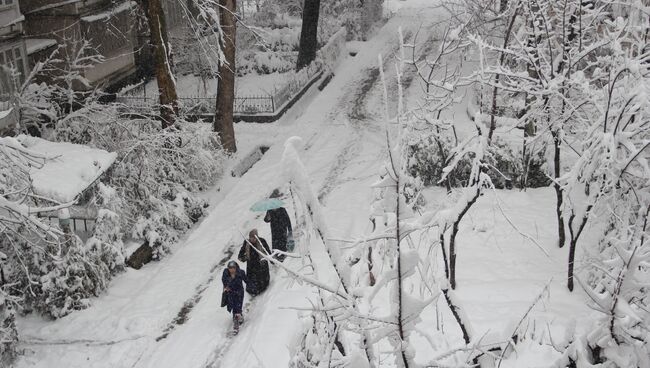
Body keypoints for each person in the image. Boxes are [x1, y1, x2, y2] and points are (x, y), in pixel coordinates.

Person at [238, 229, 271, 295]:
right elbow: (240, 256)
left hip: (261, 266)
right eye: (251, 238)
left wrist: (268, 258)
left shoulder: (262, 241)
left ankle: (261, 288)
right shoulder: (247, 243)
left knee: (262, 283)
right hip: (251, 267)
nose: (252, 240)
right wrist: (245, 258)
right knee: (252, 286)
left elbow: (268, 253)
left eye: (254, 238)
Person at [264, 191, 293, 261]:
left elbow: (288, 220)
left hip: (282, 230)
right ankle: (277, 258)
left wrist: (290, 230)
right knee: (275, 245)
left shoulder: (282, 210)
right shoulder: (269, 211)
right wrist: (268, 217)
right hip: (274, 231)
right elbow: (266, 220)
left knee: (283, 243)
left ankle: (283, 257)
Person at [222, 260, 247, 333]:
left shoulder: (241, 272)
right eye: (230, 268)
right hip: (230, 292)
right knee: (233, 306)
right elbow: (223, 280)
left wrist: (252, 285)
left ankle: (236, 323)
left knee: (238, 306)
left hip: (239, 292)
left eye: (233, 268)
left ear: (236, 268)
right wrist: (226, 286)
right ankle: (237, 317)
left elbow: (246, 280)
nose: (231, 270)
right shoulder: (226, 273)